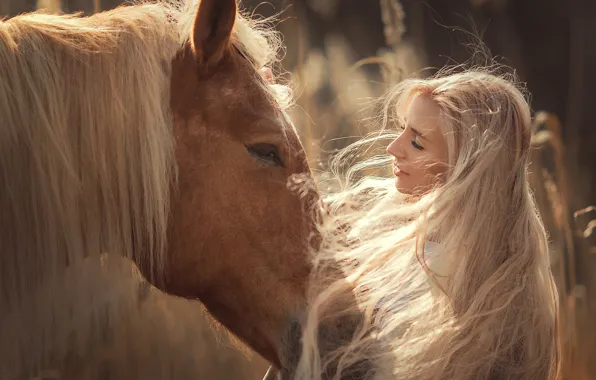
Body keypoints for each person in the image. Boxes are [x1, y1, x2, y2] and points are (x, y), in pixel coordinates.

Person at [293, 66, 562, 380]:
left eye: (417, 142)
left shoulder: (485, 295)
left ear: (467, 168)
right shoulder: (391, 242)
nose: (393, 148)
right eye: (403, 129)